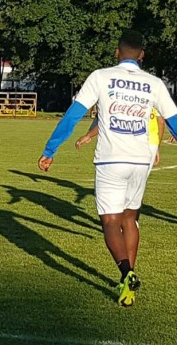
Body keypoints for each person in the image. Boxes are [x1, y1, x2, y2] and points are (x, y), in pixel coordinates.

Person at [38, 29, 177, 307]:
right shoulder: (154, 83)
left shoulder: (100, 77)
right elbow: (174, 120)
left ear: (117, 52)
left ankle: (127, 273)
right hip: (141, 160)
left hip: (111, 159)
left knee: (110, 221)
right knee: (130, 218)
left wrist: (50, 150)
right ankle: (129, 284)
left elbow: (73, 115)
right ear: (142, 55)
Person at [76, 108, 165, 168]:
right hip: (151, 143)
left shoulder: (126, 97)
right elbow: (161, 122)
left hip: (128, 142)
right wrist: (156, 146)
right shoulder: (155, 94)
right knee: (137, 185)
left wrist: (89, 134)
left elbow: (109, 121)